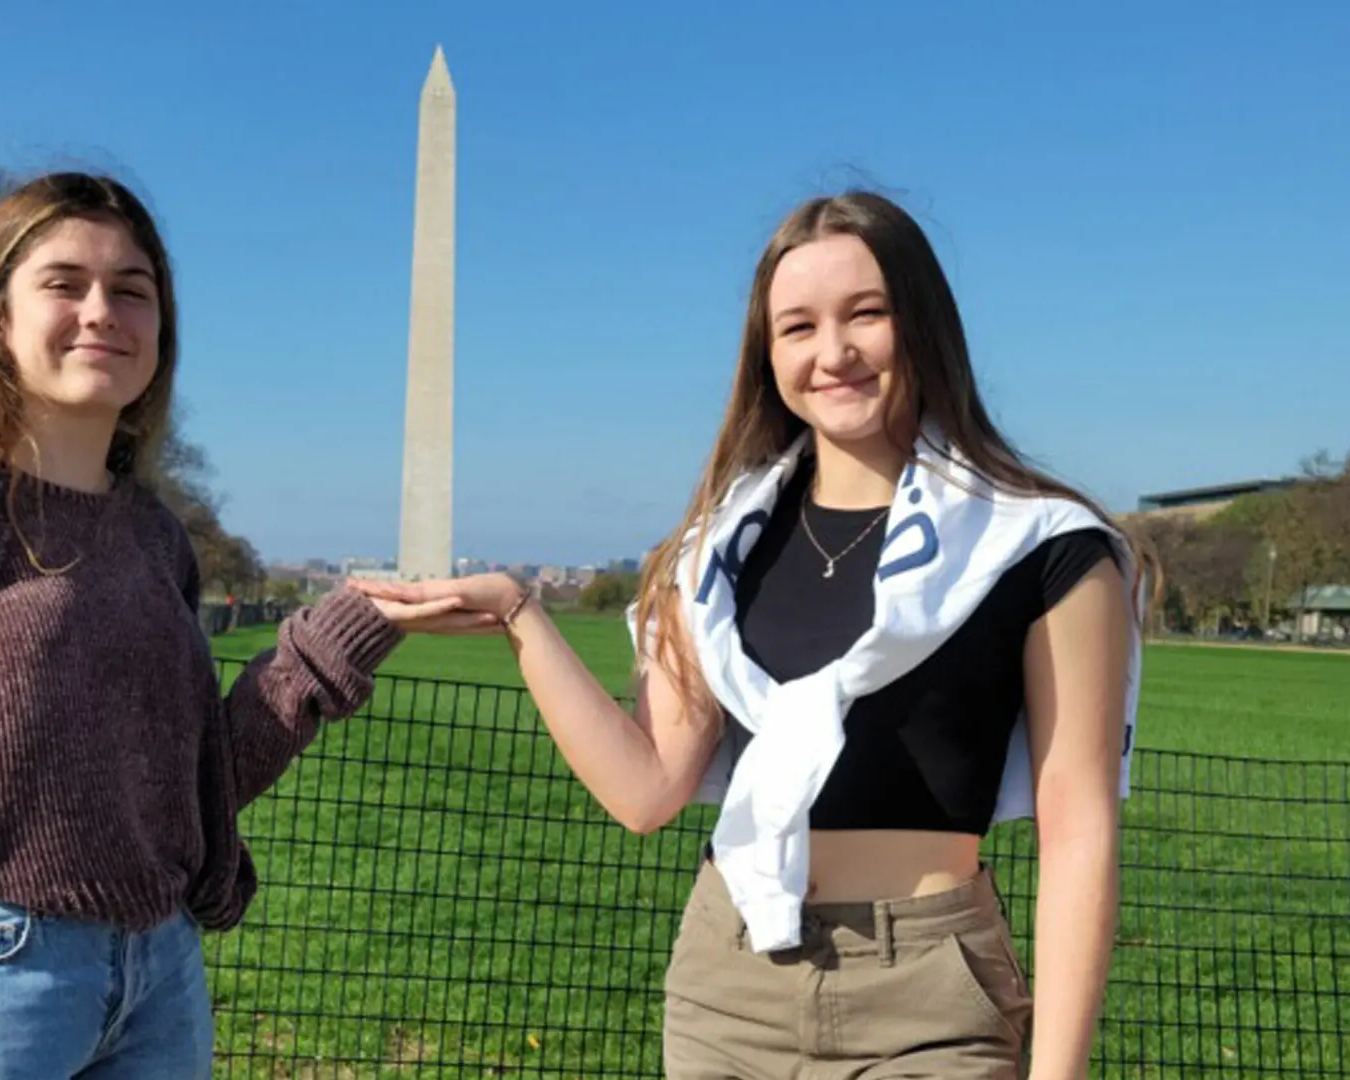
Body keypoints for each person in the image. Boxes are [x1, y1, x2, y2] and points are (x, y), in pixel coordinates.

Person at [353, 190, 1148, 1080]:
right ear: (766, 355)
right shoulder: (711, 556)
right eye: (797, 327)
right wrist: (518, 615)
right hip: (726, 985)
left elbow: (1079, 830)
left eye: (867, 314)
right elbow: (647, 790)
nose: (833, 352)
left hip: (927, 989)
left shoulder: (1039, 544)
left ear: (923, 322)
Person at [0, 171, 484, 1080]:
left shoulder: (156, 539)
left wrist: (343, 635)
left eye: (132, 291)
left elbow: (189, 785)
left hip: (160, 970)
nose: (102, 311)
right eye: (64, 283)